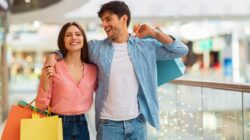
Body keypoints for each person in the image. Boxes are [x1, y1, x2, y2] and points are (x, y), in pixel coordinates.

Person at [45, 1, 189, 140]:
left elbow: (181, 50)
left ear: (124, 19)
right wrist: (54, 55)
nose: (104, 25)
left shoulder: (145, 47)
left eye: (108, 19)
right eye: (102, 20)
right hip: (108, 125)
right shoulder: (96, 48)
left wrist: (155, 33)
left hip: (137, 122)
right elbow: (73, 49)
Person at [36, 22, 97, 140]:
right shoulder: (53, 67)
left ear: (83, 39)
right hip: (57, 124)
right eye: (68, 35)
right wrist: (45, 83)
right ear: (63, 41)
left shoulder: (93, 70)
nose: (74, 37)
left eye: (78, 34)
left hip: (82, 125)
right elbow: (40, 106)